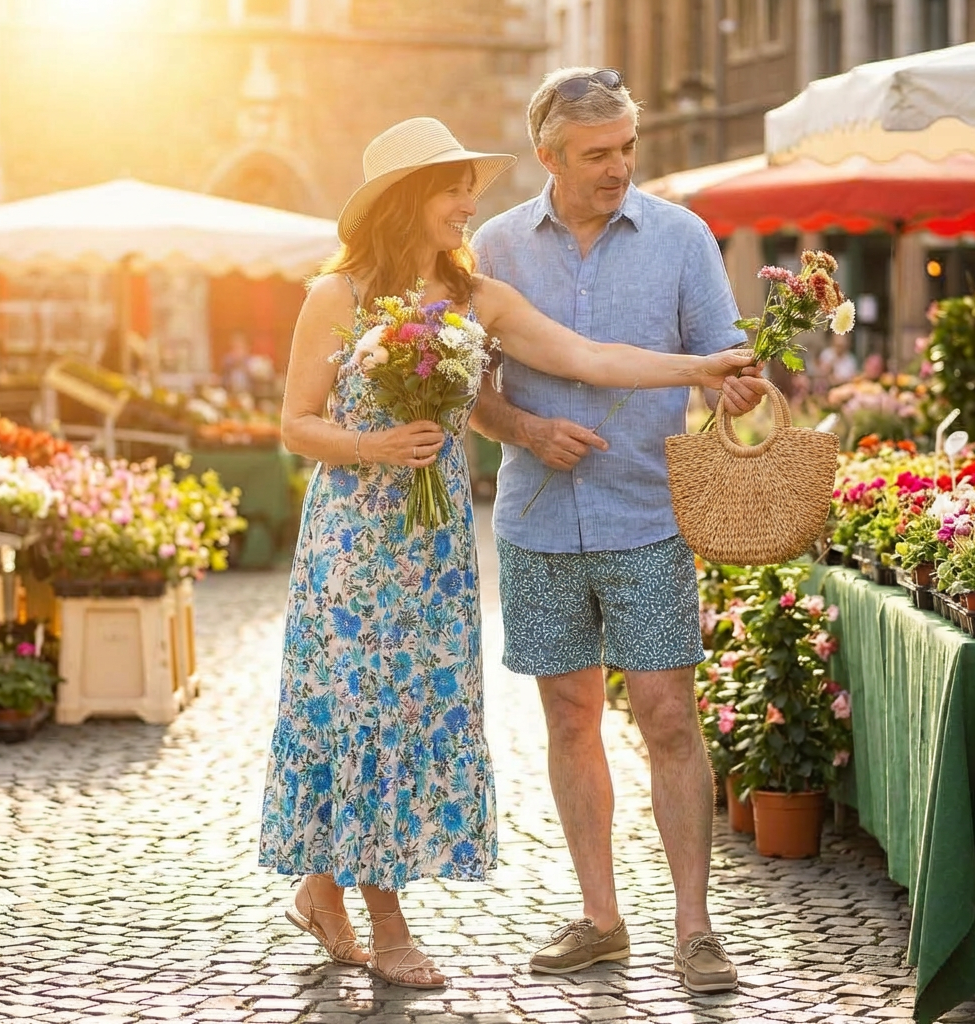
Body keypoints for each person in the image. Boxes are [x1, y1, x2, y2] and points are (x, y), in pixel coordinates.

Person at [259, 116, 755, 990]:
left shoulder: (476, 297)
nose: (466, 208)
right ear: (406, 200)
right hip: (351, 547)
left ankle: (321, 890)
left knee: (411, 719)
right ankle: (389, 922)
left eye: (470, 192)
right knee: (361, 716)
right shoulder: (334, 298)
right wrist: (375, 447)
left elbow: (588, 357)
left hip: (438, 543)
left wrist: (701, 370)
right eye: (452, 192)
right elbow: (295, 424)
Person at [469, 68, 765, 992]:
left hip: (648, 516)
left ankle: (695, 927)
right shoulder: (495, 246)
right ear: (549, 157)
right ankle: (601, 918)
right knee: (569, 718)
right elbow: (469, 394)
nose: (619, 167)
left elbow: (726, 362)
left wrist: (739, 383)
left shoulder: (681, 236)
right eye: (597, 154)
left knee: (670, 718)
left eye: (627, 148)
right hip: (536, 520)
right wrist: (523, 428)